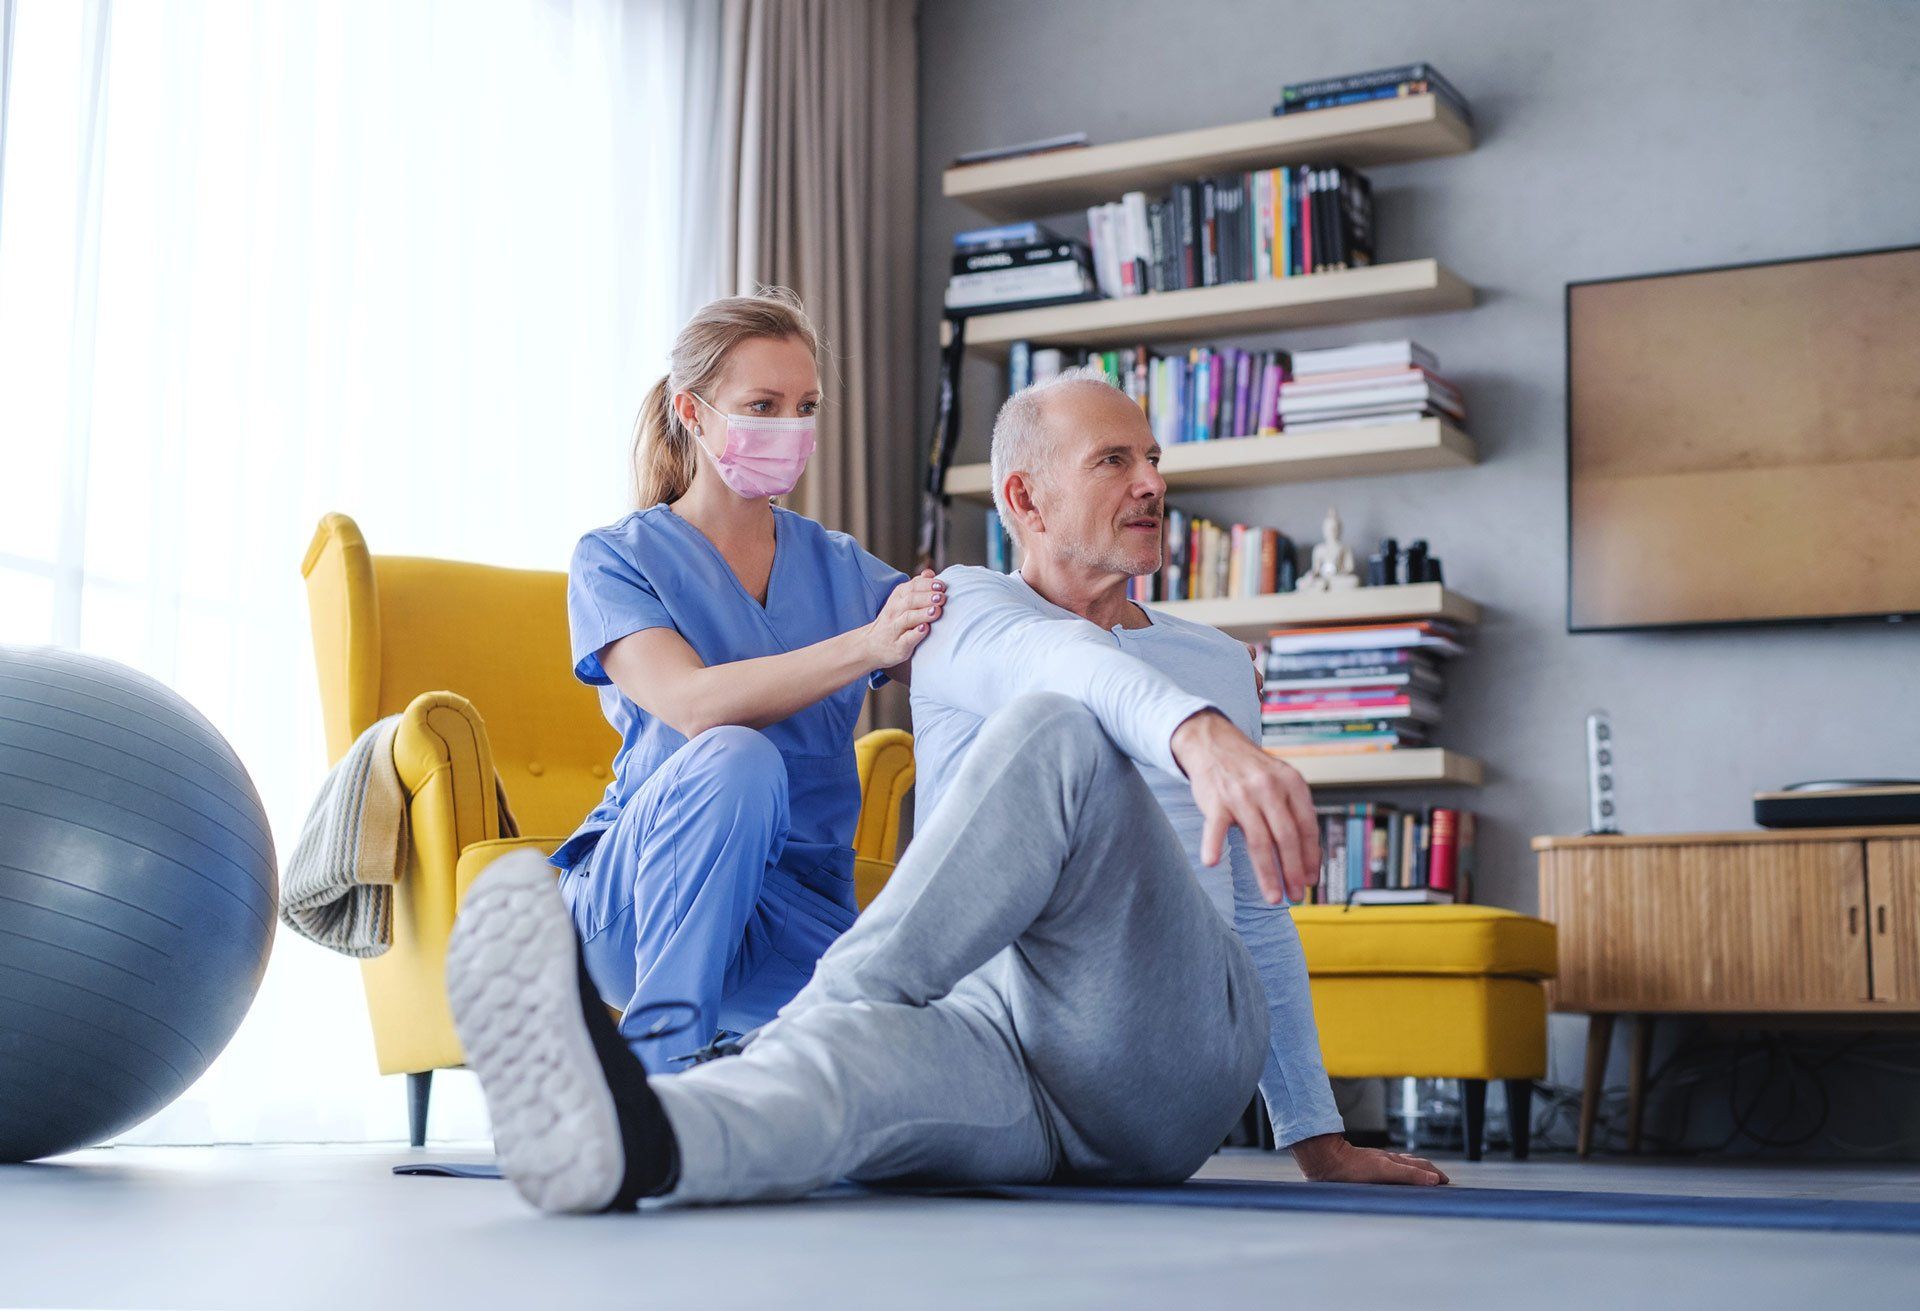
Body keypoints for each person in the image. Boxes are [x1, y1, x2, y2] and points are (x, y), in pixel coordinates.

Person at [448, 366, 1448, 1215]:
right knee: (835, 1082)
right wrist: (1195, 734)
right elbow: (1062, 658)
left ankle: (816, 1014)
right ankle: (639, 1138)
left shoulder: (1216, 665)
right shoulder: (962, 608)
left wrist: (1317, 1135)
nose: (1153, 482)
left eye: (1154, 460)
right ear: (1025, 500)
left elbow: (1259, 919)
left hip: (1170, 1054)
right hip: (1006, 1056)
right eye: (1115, 462)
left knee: (1060, 737)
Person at [548, 289, 944, 1072]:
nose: (791, 427)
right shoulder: (614, 558)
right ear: (691, 413)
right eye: (763, 404)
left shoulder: (837, 564)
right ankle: (657, 1074)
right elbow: (694, 704)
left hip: (794, 919)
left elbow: (960, 641)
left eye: (807, 406)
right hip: (638, 907)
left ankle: (742, 1060)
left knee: (930, 1044)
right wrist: (866, 644)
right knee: (737, 755)